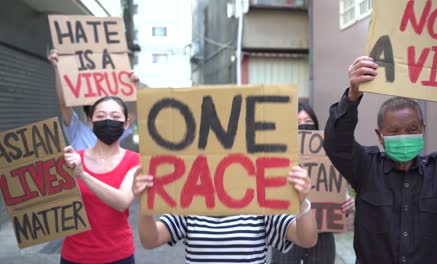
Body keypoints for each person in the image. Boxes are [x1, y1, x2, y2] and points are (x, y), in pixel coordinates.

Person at [323, 56, 437, 264]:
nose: (404, 136)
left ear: (422, 129)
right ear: (380, 135)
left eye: (412, 129)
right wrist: (353, 96)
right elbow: (336, 143)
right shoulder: (365, 167)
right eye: (394, 131)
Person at [132, 163, 318, 263]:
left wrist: (302, 203)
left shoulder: (261, 205)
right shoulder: (189, 205)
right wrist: (145, 205)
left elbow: (306, 239)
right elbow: (150, 240)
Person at [271, 102, 355, 264]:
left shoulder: (330, 153)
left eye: (307, 122)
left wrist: (347, 205)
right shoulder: (276, 157)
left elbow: (335, 190)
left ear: (316, 125)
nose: (303, 126)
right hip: (288, 233)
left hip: (321, 236)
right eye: (298, 123)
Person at [62, 96, 140, 264]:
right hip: (74, 255)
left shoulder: (135, 160)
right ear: (91, 122)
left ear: (126, 124)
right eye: (100, 116)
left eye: (115, 116)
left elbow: (123, 201)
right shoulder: (73, 160)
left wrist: (83, 175)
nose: (107, 121)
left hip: (118, 255)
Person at [48, 49, 138, 150]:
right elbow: (64, 104)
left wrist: (134, 87)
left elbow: (133, 113)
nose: (107, 118)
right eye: (100, 114)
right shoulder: (77, 130)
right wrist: (57, 67)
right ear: (90, 118)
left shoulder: (114, 130)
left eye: (113, 114)